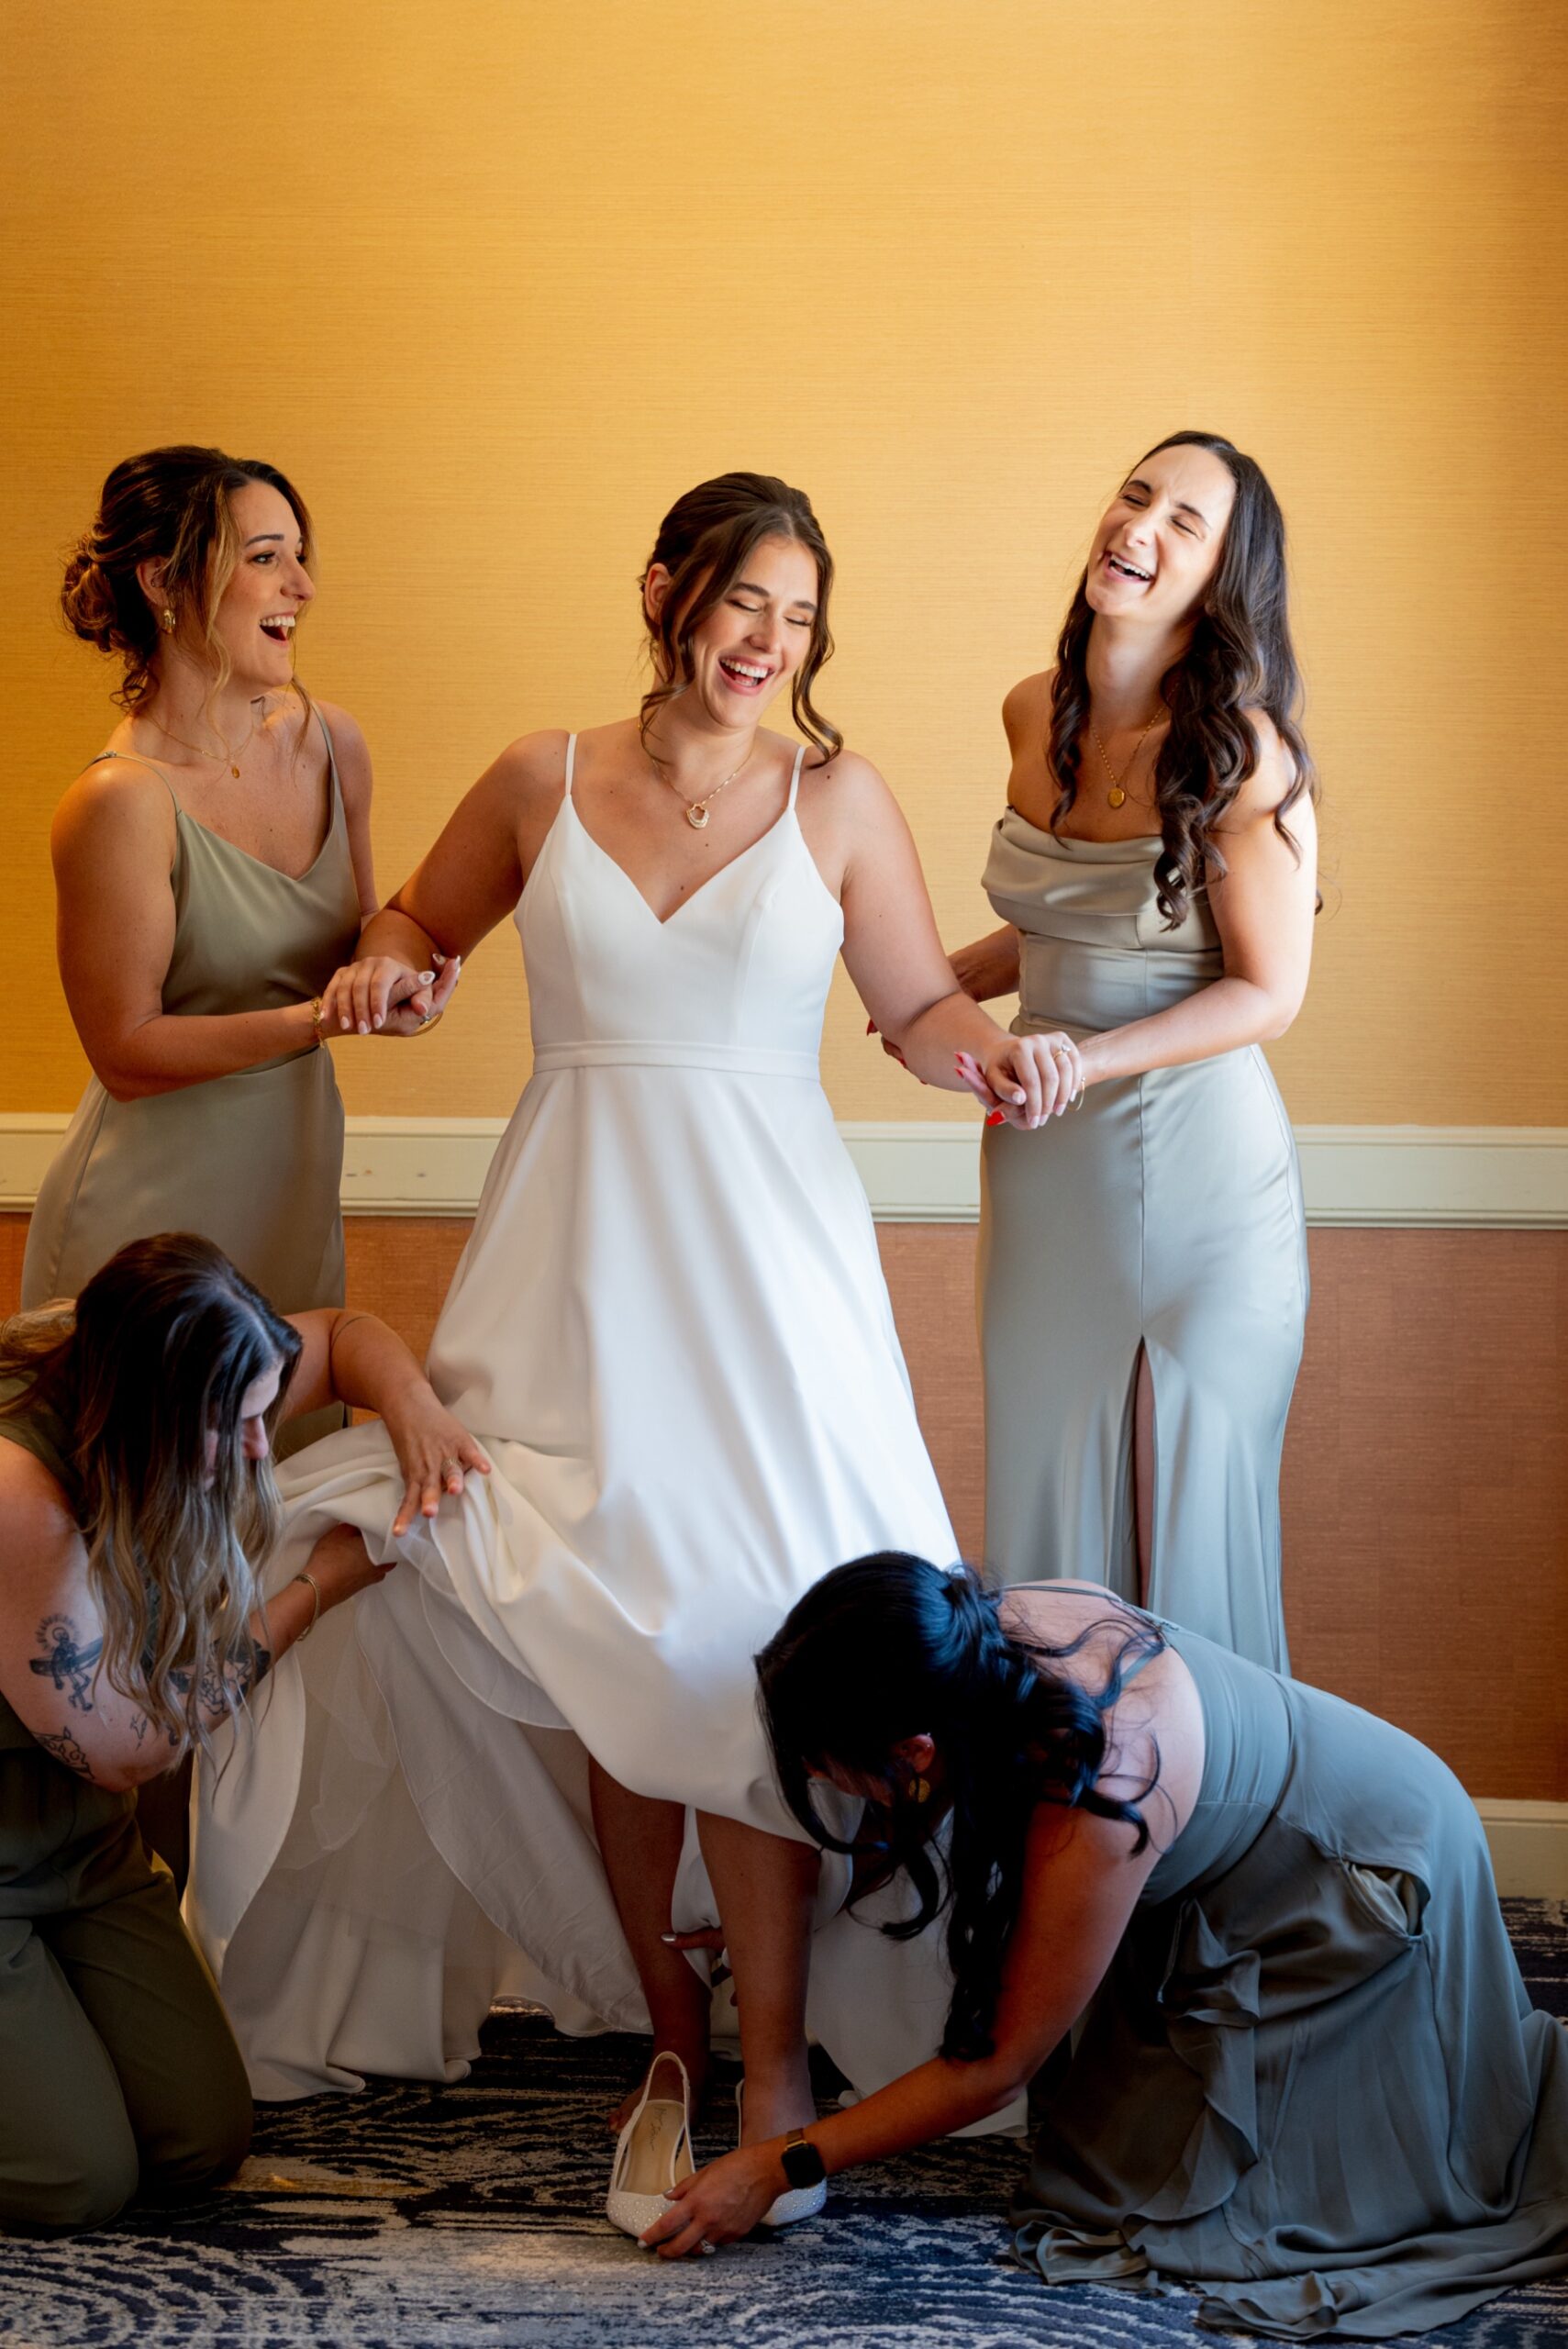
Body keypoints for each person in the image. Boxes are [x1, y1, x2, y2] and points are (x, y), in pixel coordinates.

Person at [187, 471, 1074, 2216]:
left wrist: (996, 1050)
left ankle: (770, 2051)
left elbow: (908, 1010)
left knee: (755, 1632)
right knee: (606, 1621)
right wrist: (393, 967)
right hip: (577, 1250)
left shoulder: (838, 798)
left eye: (802, 618)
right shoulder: (543, 775)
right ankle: (668, 2014)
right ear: (667, 588)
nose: (770, 641)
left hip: (763, 1267)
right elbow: (415, 924)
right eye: (747, 600)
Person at [644, 1554, 1568, 2339]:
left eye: (824, 1765)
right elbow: (947, 1808)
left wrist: (777, 2163)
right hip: (1273, 1848)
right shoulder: (984, 1634)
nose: (816, 1780)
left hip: (1359, 1877)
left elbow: (996, 2066)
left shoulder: (1104, 1780)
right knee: (1109, 2159)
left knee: (1227, 2217)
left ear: (915, 1748)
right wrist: (796, 1917)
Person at [0, 1232, 491, 2234]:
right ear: (149, 1413)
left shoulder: (194, 1358)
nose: (266, 1447)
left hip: (87, 1847)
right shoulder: (20, 1497)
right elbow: (136, 1746)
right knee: (76, 2179)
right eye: (241, 1426)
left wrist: (416, 1413)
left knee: (198, 2141)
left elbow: (348, 1337)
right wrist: (319, 1588)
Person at [941, 431, 1316, 1669]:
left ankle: (1204, 1846)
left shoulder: (1240, 754)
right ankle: (1056, 1842)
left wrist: (1083, 1061)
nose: (1139, 525)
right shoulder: (1028, 712)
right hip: (1047, 1171)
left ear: (1221, 581)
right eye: (1135, 493)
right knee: (1050, 1511)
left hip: (1197, 1166)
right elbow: (1073, 918)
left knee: (1181, 1525)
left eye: (1185, 522)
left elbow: (1266, 991)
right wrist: (937, 985)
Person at [24, 444, 460, 1450]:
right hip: (145, 1211)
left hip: (294, 1189)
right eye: (267, 557)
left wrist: (390, 975)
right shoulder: (117, 801)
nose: (301, 586)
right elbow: (126, 1052)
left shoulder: (333, 744)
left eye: (299, 556)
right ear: (167, 582)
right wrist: (320, 1018)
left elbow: (355, 937)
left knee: (275, 1508)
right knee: (125, 1524)